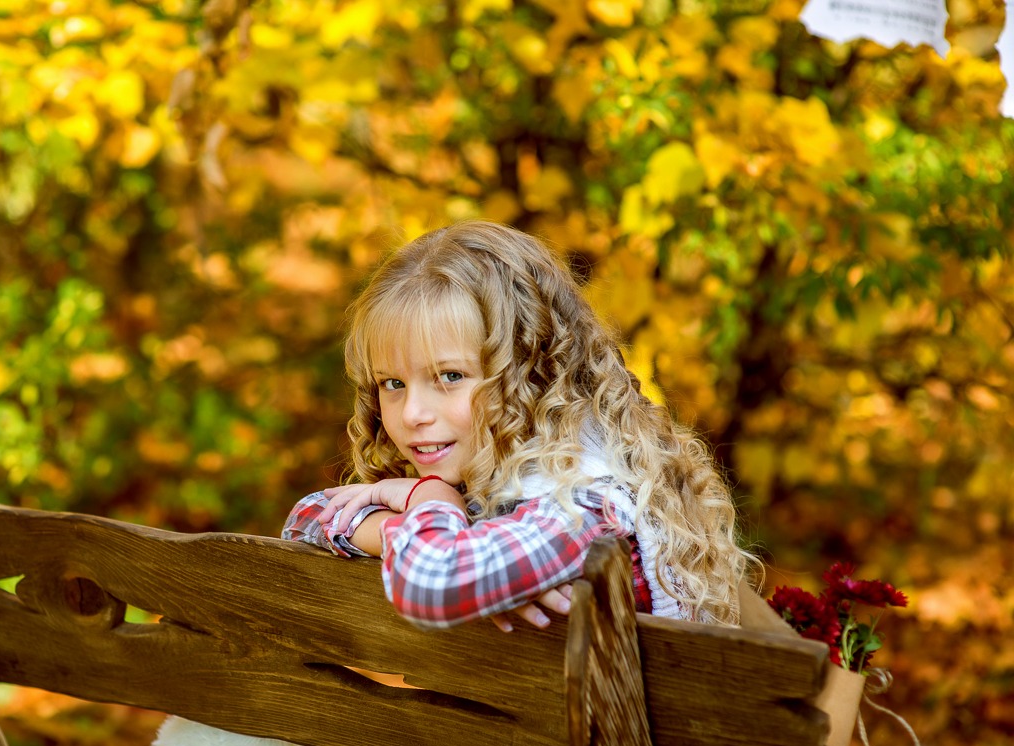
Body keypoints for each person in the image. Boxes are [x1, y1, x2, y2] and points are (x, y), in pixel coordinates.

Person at [283, 220, 755, 632]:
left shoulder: (586, 508)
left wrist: (426, 501)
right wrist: (424, 531)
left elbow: (430, 584)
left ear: (532, 373)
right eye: (392, 383)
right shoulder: (492, 486)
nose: (412, 414)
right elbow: (307, 517)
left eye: (450, 377)